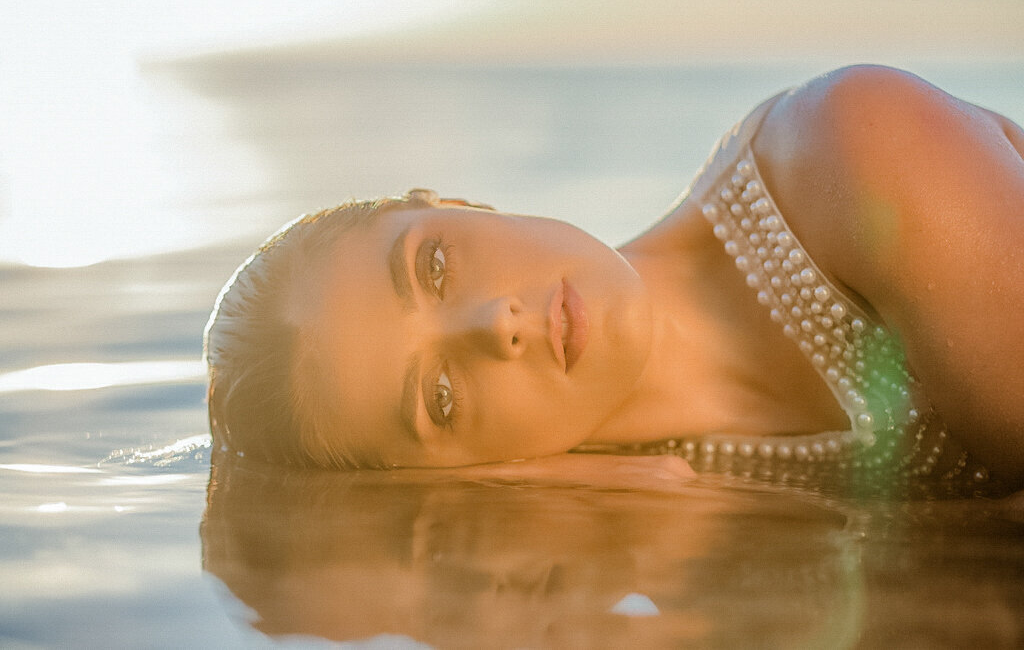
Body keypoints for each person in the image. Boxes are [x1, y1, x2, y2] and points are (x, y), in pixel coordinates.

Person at [204, 65, 1024, 490]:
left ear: (453, 201)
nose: (499, 325)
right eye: (439, 397)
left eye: (434, 264)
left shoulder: (855, 149)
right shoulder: (634, 503)